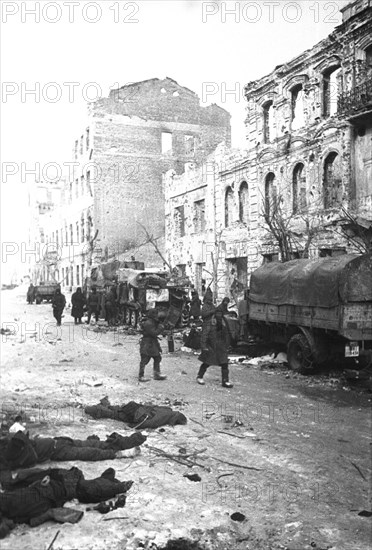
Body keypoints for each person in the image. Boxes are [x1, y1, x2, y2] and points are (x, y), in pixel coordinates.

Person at [197, 309, 233, 388]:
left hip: (221, 347)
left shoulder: (224, 323)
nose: (219, 315)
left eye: (220, 313)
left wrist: (227, 345)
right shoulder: (210, 323)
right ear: (215, 314)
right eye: (218, 313)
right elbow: (204, 335)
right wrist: (204, 346)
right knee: (207, 362)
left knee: (224, 364)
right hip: (211, 346)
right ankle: (200, 376)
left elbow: (227, 335)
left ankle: (225, 381)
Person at [138, 309, 167, 382]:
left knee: (157, 358)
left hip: (152, 343)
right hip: (147, 343)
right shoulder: (149, 323)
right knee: (144, 360)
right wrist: (160, 328)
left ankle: (156, 374)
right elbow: (154, 333)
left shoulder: (152, 322)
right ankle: (141, 376)